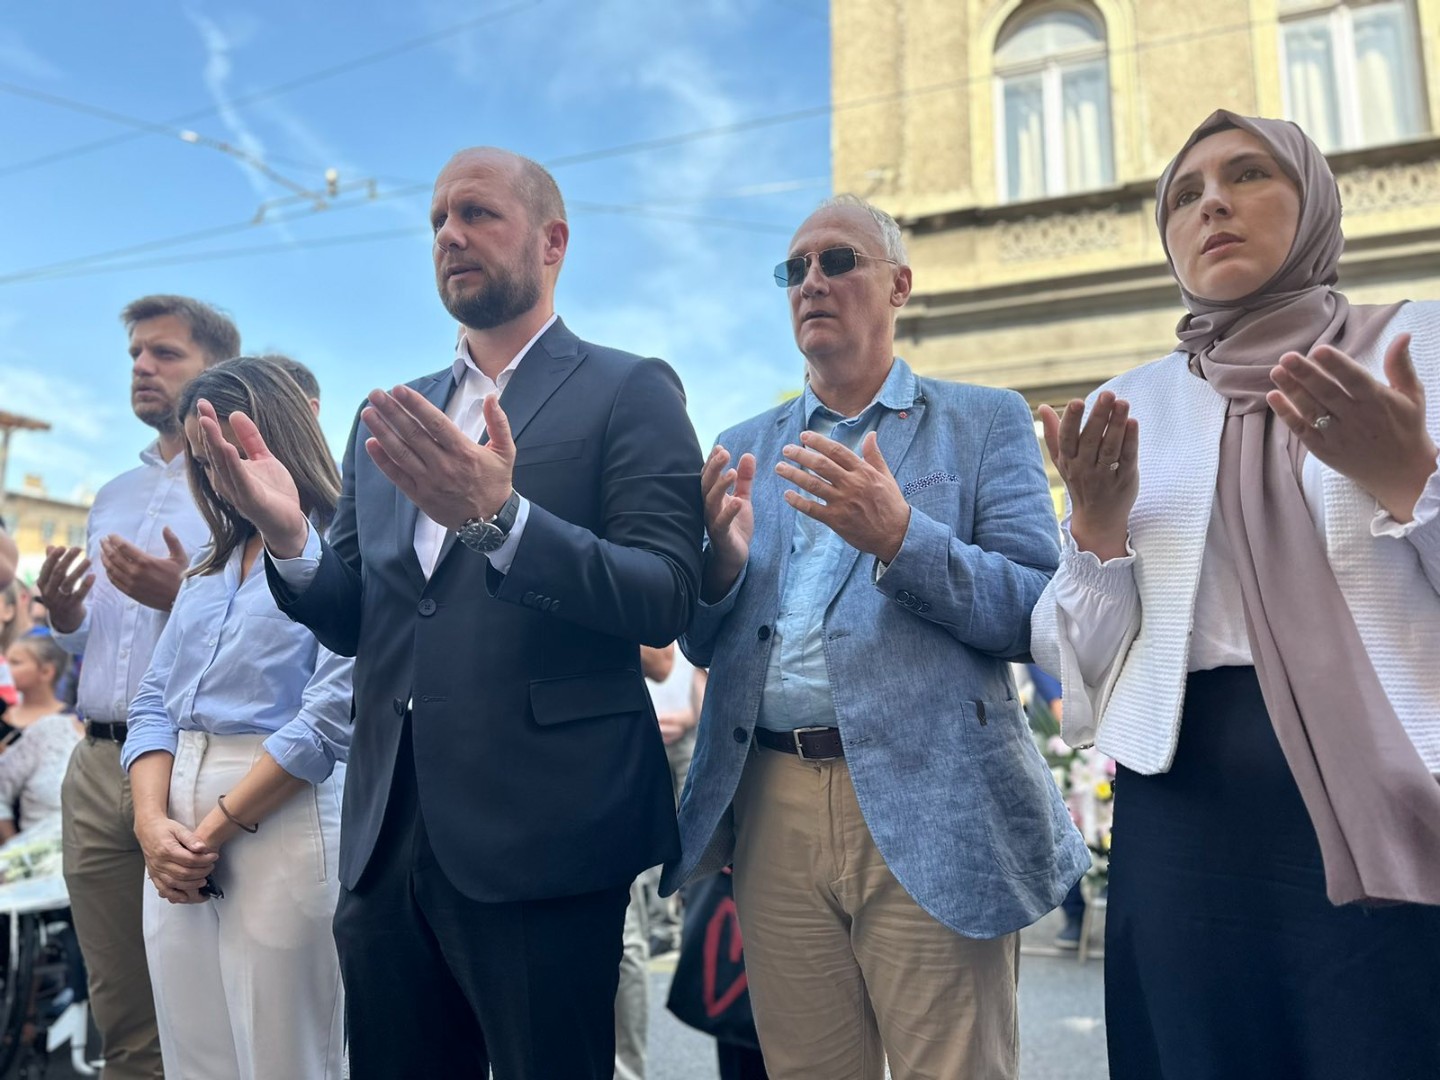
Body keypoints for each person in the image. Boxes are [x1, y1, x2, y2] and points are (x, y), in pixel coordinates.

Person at [200, 147, 704, 1079]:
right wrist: (290, 539)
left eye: (477, 214)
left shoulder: (628, 390)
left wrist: (505, 521)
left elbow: (664, 592)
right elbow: (359, 619)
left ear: (552, 242)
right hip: (389, 835)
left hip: (545, 832)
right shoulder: (390, 417)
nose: (450, 235)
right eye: (437, 219)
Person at [1030, 110, 1440, 1080]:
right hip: (1186, 809)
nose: (1211, 203)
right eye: (1184, 195)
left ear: (1314, 201)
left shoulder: (1418, 345)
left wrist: (1411, 481)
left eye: (1248, 174)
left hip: (1400, 779)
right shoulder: (1133, 402)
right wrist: (1096, 532)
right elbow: (1074, 666)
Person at [666, 193, 1088, 1079]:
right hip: (771, 799)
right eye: (794, 269)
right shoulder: (744, 445)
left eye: (837, 260)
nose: (811, 281)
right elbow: (704, 646)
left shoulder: (983, 421)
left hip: (934, 792)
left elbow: (1037, 610)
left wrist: (902, 538)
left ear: (900, 284)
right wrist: (720, 572)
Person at [122, 357, 349, 1080]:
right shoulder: (206, 565)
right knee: (194, 1054)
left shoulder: (344, 550)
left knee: (290, 1056)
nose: (215, 474)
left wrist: (209, 831)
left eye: (226, 451)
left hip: (280, 805)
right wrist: (151, 825)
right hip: (174, 810)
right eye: (202, 457)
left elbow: (328, 717)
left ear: (277, 435)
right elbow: (153, 700)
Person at [36, 294, 240, 1080]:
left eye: (165, 353)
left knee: (210, 998)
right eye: (135, 355)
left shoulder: (246, 484)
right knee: (120, 1007)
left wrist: (180, 595)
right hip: (94, 764)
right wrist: (65, 617)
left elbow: (279, 631)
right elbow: (94, 641)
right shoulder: (113, 494)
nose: (143, 368)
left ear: (217, 368)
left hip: (193, 762)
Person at [0, 635, 81, 838]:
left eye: (16, 663)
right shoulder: (4, 717)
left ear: (46, 671)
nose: (7, 669)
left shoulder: (65, 725)